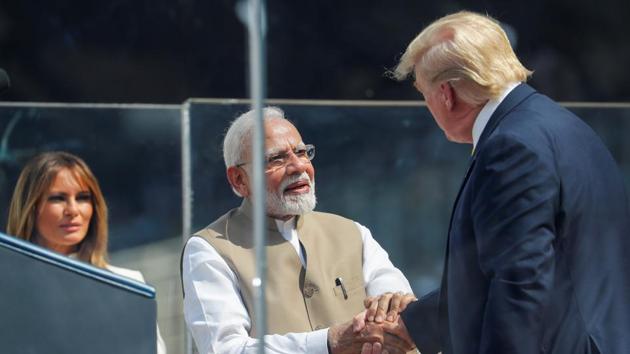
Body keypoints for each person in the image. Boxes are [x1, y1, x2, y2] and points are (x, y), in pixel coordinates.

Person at [357, 10, 630, 354]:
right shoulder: (559, 124)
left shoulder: (510, 146)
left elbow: (519, 283)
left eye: (423, 93)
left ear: (445, 94)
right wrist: (411, 323)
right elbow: (500, 270)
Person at [181, 106, 416, 354]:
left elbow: (398, 305)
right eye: (276, 159)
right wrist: (328, 342)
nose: (298, 167)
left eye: (302, 153)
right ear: (239, 179)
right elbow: (226, 350)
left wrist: (391, 314)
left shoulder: (353, 234)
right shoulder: (210, 249)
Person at [6, 151, 167, 354]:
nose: (73, 210)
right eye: (58, 198)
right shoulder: (9, 290)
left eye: (82, 198)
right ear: (30, 207)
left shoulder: (128, 284)